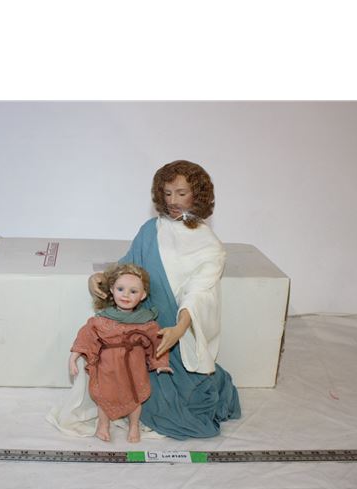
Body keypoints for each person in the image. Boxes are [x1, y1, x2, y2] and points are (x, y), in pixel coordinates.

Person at [88, 159, 241, 440]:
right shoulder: (151, 229)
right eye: (167, 193)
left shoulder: (210, 245)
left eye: (181, 193)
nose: (173, 201)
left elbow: (199, 293)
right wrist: (102, 278)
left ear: (198, 195)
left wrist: (179, 329)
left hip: (175, 332)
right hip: (141, 325)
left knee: (179, 401)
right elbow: (129, 266)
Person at [69, 263, 172, 443]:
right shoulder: (102, 319)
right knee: (104, 395)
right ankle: (103, 425)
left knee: (135, 395)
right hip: (107, 366)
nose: (125, 295)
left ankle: (134, 425)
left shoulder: (147, 321)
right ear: (112, 289)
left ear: (143, 295)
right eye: (120, 289)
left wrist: (161, 363)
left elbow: (158, 342)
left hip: (134, 367)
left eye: (133, 291)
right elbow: (87, 336)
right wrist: (74, 356)